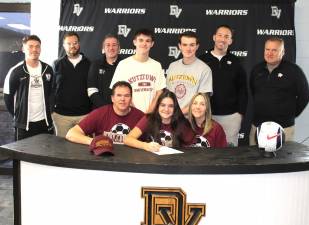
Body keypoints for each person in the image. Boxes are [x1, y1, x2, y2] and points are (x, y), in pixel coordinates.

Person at [249, 36, 309, 145]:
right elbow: (253, 92)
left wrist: (290, 114)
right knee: (255, 160)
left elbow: (304, 96)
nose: (269, 53)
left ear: (283, 52)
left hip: (284, 127)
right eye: (267, 49)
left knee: (282, 161)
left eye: (274, 50)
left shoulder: (294, 71)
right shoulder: (257, 69)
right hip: (258, 125)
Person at [199, 25, 248, 147]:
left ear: (230, 41)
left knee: (229, 154)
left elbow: (243, 89)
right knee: (206, 153)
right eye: (220, 35)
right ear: (214, 37)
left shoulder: (236, 62)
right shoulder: (202, 60)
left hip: (231, 117)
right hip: (206, 116)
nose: (222, 39)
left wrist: (240, 114)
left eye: (227, 36)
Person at [3, 35, 54, 140]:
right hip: (24, 125)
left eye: (37, 46)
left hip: (44, 123)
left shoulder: (48, 69)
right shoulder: (15, 71)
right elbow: (7, 97)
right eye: (30, 46)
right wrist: (18, 114)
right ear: (23, 49)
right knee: (21, 155)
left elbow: (52, 92)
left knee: (44, 154)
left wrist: (50, 110)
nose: (34, 49)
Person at [66, 81, 144, 145]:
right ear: (112, 98)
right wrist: (94, 141)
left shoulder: (141, 117)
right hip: (105, 156)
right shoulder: (100, 113)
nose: (122, 99)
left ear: (131, 98)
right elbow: (71, 134)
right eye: (119, 95)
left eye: (126, 96)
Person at [109, 28, 166, 113]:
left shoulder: (156, 65)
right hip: (129, 113)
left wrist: (150, 112)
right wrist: (135, 112)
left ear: (152, 44)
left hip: (151, 115)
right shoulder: (124, 64)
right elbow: (117, 90)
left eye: (147, 41)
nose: (144, 43)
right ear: (135, 42)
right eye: (141, 40)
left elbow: (159, 92)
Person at [124, 90, 193, 152]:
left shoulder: (182, 123)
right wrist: (145, 146)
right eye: (163, 105)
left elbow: (191, 150)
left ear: (175, 108)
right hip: (151, 162)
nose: (166, 109)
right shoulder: (149, 119)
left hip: (175, 162)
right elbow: (127, 139)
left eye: (171, 106)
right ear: (158, 106)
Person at [52, 32, 91, 137]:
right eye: (69, 43)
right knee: (61, 150)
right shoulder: (56, 64)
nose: (72, 46)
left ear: (79, 44)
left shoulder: (89, 64)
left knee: (83, 150)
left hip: (84, 115)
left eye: (75, 43)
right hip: (61, 116)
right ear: (64, 45)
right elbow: (51, 89)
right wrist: (52, 110)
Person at [166, 31, 212, 117]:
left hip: (192, 120)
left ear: (197, 46)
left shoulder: (205, 69)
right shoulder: (172, 66)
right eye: (185, 45)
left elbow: (203, 100)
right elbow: (168, 95)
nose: (188, 49)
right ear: (179, 46)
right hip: (171, 117)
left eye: (192, 45)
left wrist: (178, 114)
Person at [87, 34, 121, 109]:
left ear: (119, 48)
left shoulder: (125, 64)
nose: (111, 48)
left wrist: (117, 108)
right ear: (103, 48)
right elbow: (91, 90)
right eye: (108, 45)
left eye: (114, 45)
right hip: (100, 110)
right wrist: (106, 108)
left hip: (121, 110)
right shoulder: (95, 65)